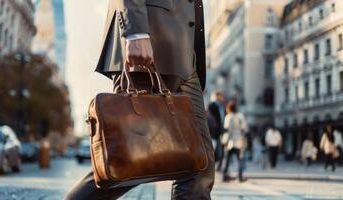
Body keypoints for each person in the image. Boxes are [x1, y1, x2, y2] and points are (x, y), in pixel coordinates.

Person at [65, 1, 215, 199]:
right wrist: (136, 32)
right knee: (126, 158)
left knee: (199, 160)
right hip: (150, 36)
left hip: (185, 50)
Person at [222, 101, 248, 182]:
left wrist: (225, 141)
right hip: (239, 142)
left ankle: (224, 175)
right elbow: (245, 129)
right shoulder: (240, 116)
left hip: (231, 142)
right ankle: (240, 176)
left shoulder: (228, 117)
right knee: (240, 159)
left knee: (227, 159)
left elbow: (228, 130)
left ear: (228, 109)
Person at [208, 92, 225, 171]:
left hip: (222, 131)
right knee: (215, 150)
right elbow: (210, 118)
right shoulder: (212, 105)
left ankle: (218, 167)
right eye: (221, 96)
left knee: (221, 150)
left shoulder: (222, 106)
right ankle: (211, 166)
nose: (222, 97)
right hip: (214, 132)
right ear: (218, 96)